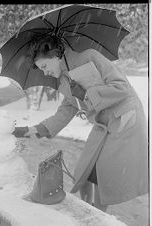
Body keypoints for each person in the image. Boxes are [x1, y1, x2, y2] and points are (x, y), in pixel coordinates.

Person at [12, 35, 148, 212]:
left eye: (44, 66)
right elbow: (65, 111)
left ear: (55, 55)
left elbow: (122, 87)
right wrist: (33, 130)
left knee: (102, 173)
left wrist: (86, 94)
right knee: (84, 169)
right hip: (103, 124)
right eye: (41, 69)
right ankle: (87, 208)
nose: (45, 73)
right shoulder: (63, 82)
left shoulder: (90, 57)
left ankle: (98, 216)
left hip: (125, 118)